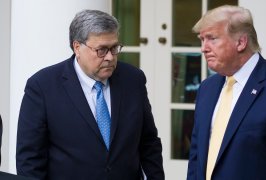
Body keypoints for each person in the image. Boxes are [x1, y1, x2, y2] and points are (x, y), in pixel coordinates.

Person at [16, 9, 164, 180]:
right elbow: (29, 159)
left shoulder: (133, 80)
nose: (110, 57)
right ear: (77, 47)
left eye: (114, 48)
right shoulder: (42, 86)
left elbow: (149, 142)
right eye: (101, 50)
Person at [187, 5, 266, 180]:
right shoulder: (206, 89)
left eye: (212, 38)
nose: (204, 48)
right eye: (202, 39)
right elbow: (196, 158)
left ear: (241, 42)